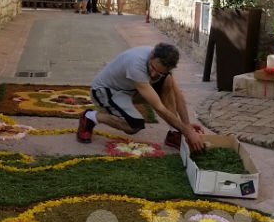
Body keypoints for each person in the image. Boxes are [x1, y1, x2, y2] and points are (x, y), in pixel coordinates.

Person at [76, 43, 205, 152]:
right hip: (106, 91)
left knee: (167, 82)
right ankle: (90, 117)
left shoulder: (160, 64)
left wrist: (187, 126)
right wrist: (188, 132)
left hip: (129, 90)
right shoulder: (136, 64)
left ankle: (173, 133)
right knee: (133, 126)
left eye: (159, 73)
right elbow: (159, 107)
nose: (153, 75)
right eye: (152, 68)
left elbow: (178, 95)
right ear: (152, 56)